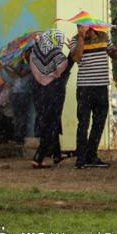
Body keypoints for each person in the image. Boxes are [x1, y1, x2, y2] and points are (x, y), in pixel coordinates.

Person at [70, 25, 117, 169]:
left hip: (101, 87)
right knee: (83, 123)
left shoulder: (103, 36)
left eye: (83, 27)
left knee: (99, 123)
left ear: (91, 26)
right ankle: (80, 159)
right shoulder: (75, 40)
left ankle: (91, 155)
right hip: (84, 88)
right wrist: (80, 38)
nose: (81, 29)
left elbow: (114, 55)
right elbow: (77, 57)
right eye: (79, 27)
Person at [29, 30, 72, 168]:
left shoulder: (35, 53)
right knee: (52, 123)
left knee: (48, 120)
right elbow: (65, 68)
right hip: (55, 92)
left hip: (39, 92)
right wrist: (71, 51)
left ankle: (57, 155)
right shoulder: (56, 55)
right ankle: (39, 157)